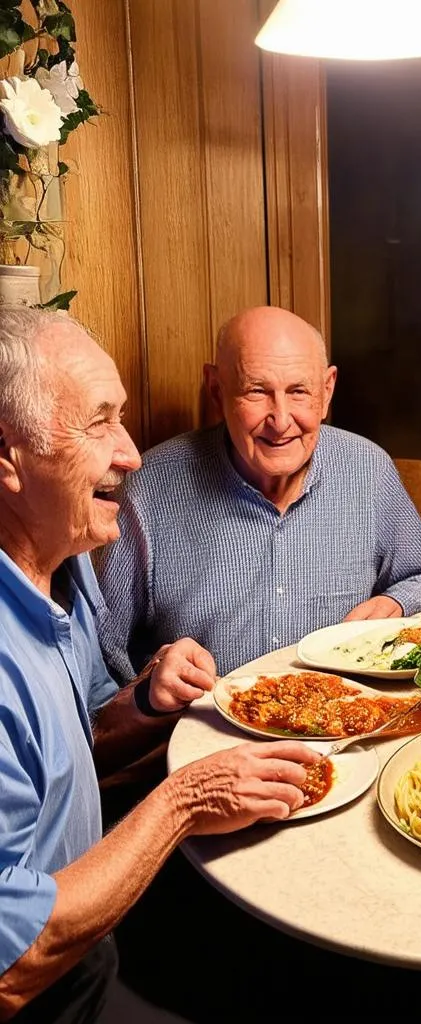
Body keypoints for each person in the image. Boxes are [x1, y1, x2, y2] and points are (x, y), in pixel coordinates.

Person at [0, 307, 320, 1022]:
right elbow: (11, 968)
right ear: (6, 454)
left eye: (124, 418)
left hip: (103, 927)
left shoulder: (63, 565)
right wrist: (184, 803)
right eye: (98, 423)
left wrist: (145, 700)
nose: (132, 453)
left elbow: (82, 743)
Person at [96, 306, 421, 681]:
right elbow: (105, 651)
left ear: (326, 391)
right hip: (204, 727)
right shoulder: (149, 489)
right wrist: (149, 692)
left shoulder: (368, 468)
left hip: (348, 718)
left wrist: (396, 602)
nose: (281, 421)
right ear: (216, 389)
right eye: (257, 391)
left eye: (298, 391)